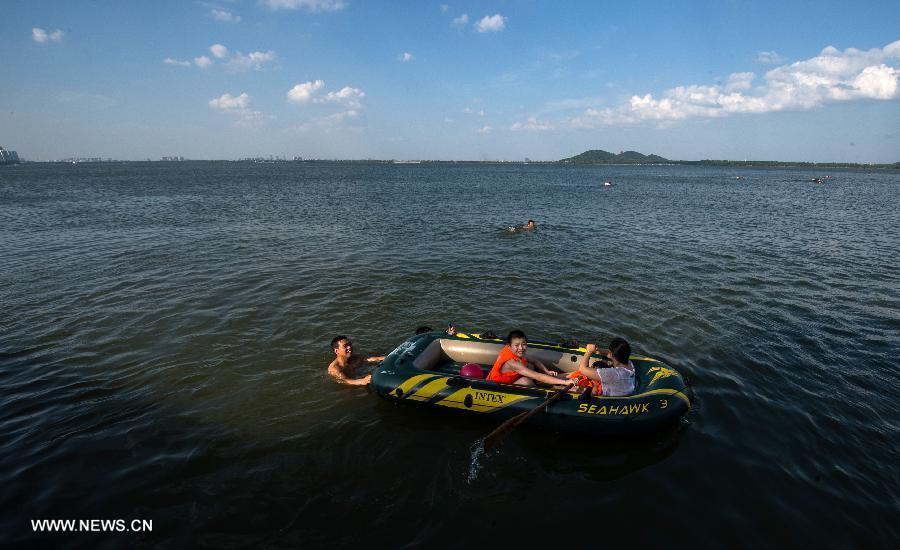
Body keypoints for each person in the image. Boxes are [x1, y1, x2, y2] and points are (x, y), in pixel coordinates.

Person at [487, 330, 571, 387]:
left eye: (523, 344)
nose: (521, 348)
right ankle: (547, 388)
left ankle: (546, 382)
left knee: (529, 365)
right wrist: (565, 382)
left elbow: (534, 361)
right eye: (517, 345)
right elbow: (538, 376)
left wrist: (547, 371)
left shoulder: (515, 352)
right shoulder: (512, 362)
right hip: (498, 387)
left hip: (513, 378)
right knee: (525, 381)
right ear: (509, 346)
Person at [567, 337, 635, 396]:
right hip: (620, 387)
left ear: (612, 355)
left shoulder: (614, 374)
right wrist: (596, 349)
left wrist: (589, 351)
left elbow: (582, 369)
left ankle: (558, 384)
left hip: (606, 395)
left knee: (578, 375)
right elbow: (609, 353)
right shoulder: (629, 363)